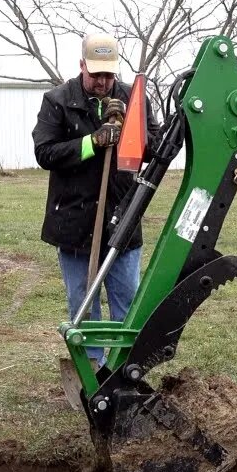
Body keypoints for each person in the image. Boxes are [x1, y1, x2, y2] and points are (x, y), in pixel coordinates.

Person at [32, 34, 156, 365]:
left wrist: (131, 130)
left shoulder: (133, 98)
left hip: (122, 216)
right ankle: (92, 367)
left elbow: (156, 146)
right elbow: (44, 152)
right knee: (82, 301)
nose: (102, 82)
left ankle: (123, 366)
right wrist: (93, 142)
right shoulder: (58, 100)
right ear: (82, 65)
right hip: (74, 219)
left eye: (109, 75)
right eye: (95, 74)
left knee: (126, 298)